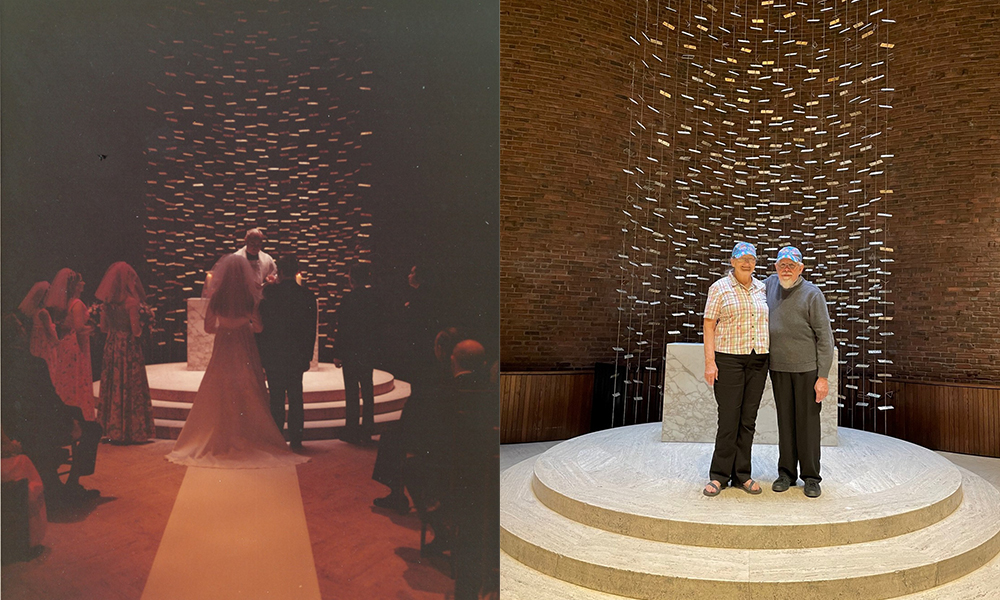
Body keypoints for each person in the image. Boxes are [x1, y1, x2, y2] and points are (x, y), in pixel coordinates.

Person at [166, 254, 307, 468]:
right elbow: (259, 327)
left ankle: (220, 432)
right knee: (248, 385)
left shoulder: (218, 297)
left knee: (220, 386)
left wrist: (225, 328)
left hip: (224, 345)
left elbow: (208, 327)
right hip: (244, 344)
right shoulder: (249, 297)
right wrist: (244, 327)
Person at [2, 313, 102, 513]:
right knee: (93, 429)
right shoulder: (34, 364)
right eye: (22, 329)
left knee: (75, 414)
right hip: (41, 428)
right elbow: (50, 401)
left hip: (13, 429)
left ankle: (57, 483)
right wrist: (70, 420)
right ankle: (73, 484)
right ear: (19, 335)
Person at [765, 246, 835, 498]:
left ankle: (811, 477)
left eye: (791, 265)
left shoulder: (812, 295)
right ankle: (786, 474)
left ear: (801, 269)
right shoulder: (768, 286)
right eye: (782, 264)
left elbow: (826, 339)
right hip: (779, 369)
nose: (786, 269)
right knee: (786, 423)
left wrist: (823, 377)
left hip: (807, 371)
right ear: (775, 267)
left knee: (807, 425)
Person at [702, 241, 769, 497]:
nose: (746, 262)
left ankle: (743, 474)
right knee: (729, 418)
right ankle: (719, 475)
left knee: (748, 420)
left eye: (751, 258)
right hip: (728, 360)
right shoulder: (719, 288)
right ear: (732, 262)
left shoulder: (761, 288)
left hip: (758, 360)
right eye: (741, 258)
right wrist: (710, 362)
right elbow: (709, 325)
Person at [372, 327, 463, 513]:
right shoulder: (467, 379)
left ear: (440, 348)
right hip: (455, 438)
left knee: (391, 436)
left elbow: (413, 414)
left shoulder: (430, 379)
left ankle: (396, 494)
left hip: (431, 438)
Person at [258, 254, 317, 449]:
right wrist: (307, 356)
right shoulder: (307, 295)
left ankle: (277, 440)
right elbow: (310, 330)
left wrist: (262, 356)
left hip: (275, 354)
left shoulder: (270, 294)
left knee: (276, 398)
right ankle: (297, 440)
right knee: (296, 397)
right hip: (296, 355)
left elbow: (264, 328)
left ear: (281, 272)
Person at [95, 262, 155, 444]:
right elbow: (135, 330)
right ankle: (131, 430)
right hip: (128, 347)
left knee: (114, 385)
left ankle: (112, 428)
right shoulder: (131, 302)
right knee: (130, 384)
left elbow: (104, 328)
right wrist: (146, 324)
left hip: (112, 346)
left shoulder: (107, 303)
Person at [333, 263, 380, 444]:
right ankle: (368, 428)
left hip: (351, 351)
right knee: (367, 389)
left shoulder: (348, 300)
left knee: (352, 392)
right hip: (367, 350)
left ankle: (351, 429)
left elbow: (342, 329)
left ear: (351, 278)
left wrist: (338, 353)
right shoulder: (374, 298)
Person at [43, 269, 96, 421]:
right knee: (77, 379)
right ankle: (81, 417)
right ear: (75, 286)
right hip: (76, 345)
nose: (84, 284)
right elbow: (79, 328)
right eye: (81, 282)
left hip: (67, 344)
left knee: (69, 380)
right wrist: (93, 328)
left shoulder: (68, 303)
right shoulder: (77, 304)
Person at [16, 282, 58, 362]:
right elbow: (49, 330)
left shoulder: (35, 311)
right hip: (44, 341)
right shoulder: (43, 312)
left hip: (36, 340)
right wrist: (57, 342)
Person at [234, 228, 277, 298]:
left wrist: (271, 279)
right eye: (252, 243)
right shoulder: (236, 258)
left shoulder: (267, 258)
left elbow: (275, 275)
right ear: (246, 240)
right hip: (242, 297)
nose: (256, 247)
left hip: (262, 298)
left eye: (259, 244)